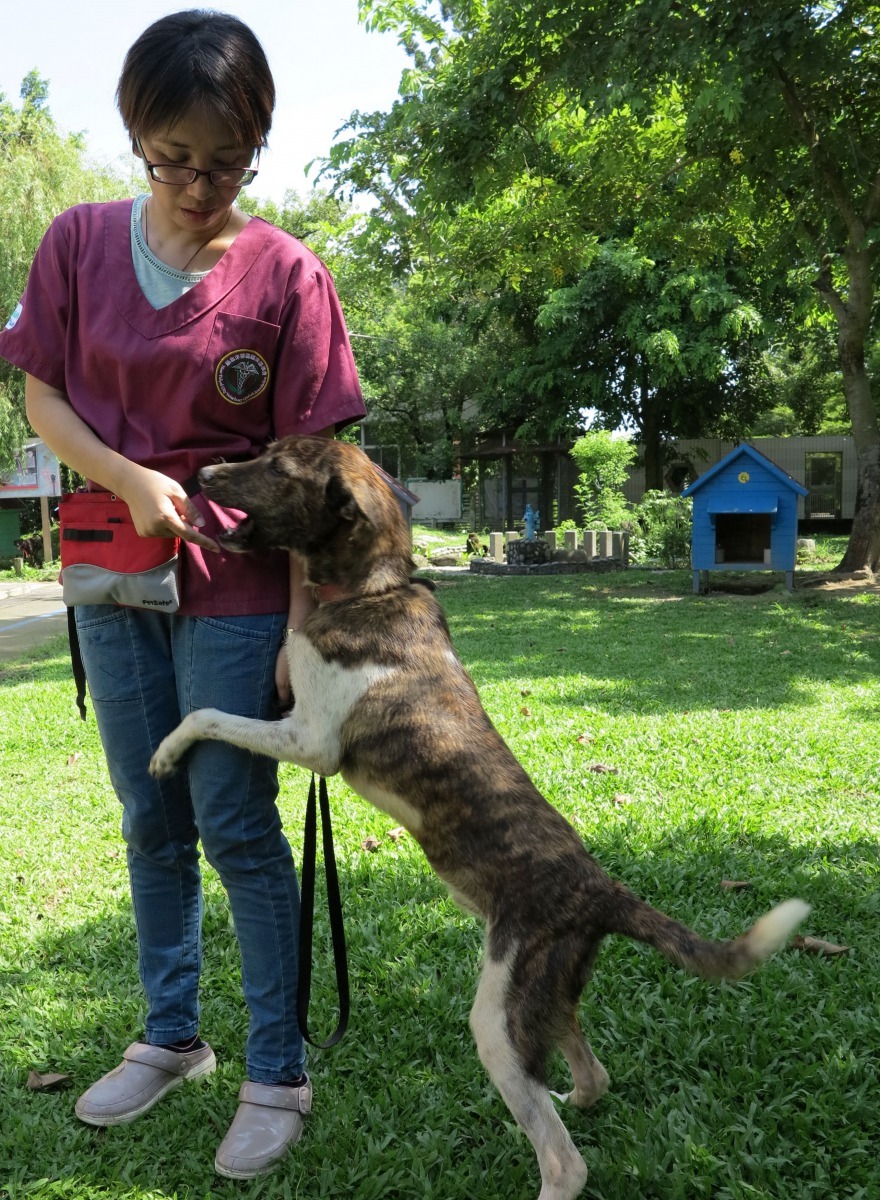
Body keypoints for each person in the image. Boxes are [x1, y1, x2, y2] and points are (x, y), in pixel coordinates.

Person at [0, 9, 365, 1180]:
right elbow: (40, 397)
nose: (196, 184)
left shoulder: (288, 276)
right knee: (148, 819)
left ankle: (276, 1067)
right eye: (171, 157)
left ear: (256, 143)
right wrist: (130, 479)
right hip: (112, 572)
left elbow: (315, 475)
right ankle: (170, 1038)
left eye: (224, 160)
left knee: (232, 823)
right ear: (137, 137)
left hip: (239, 588)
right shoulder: (74, 244)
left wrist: (303, 629)